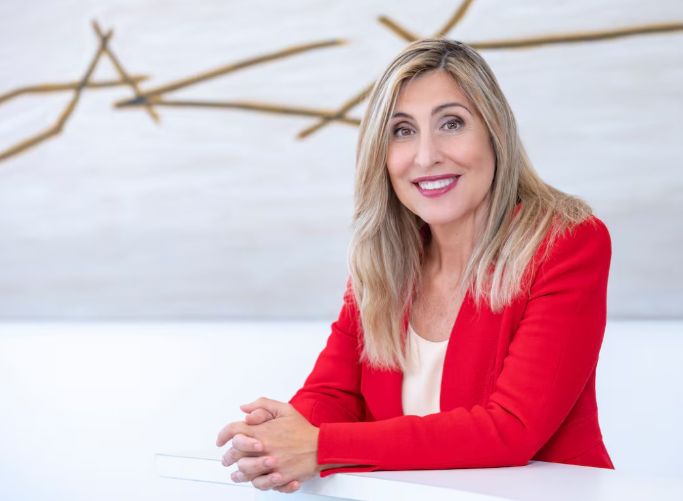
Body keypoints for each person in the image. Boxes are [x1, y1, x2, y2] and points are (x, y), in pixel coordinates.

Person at [217, 38, 614, 494]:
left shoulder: (565, 243)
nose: (426, 156)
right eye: (402, 131)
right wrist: (275, 438)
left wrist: (318, 446)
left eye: (452, 123)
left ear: (495, 132)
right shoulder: (385, 261)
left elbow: (511, 428)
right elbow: (334, 394)